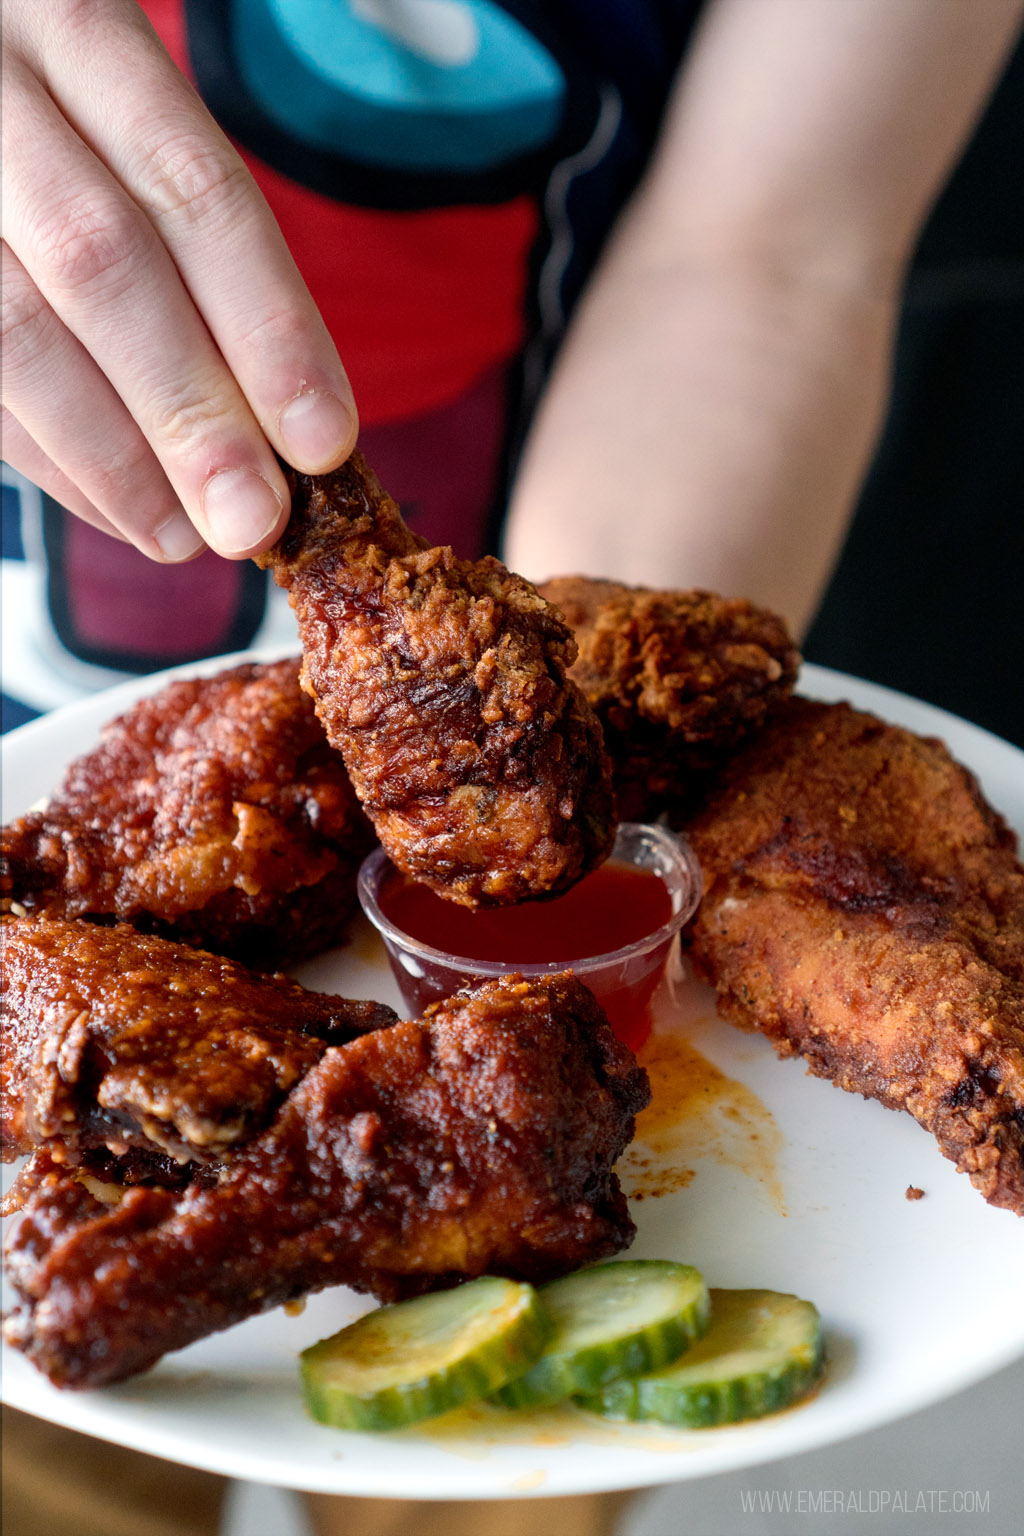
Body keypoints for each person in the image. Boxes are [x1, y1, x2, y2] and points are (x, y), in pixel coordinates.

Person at [2, 4, 1022, 1536]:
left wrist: (569, 729)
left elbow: (764, 253)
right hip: (61, 719)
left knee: (488, 1464)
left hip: (582, 557)